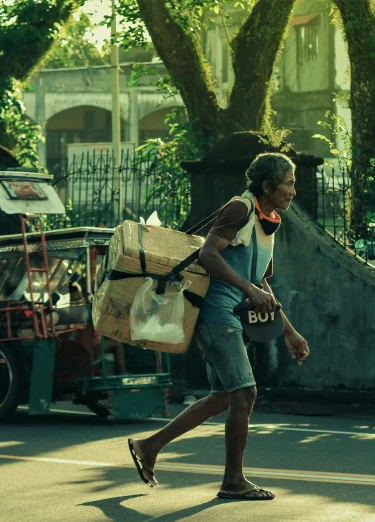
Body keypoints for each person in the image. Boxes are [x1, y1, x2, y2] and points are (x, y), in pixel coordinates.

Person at [128, 152, 310, 501]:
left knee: (223, 396)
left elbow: (261, 284)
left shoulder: (270, 219)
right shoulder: (239, 209)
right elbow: (208, 255)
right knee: (245, 393)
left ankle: (149, 447)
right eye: (288, 184)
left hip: (229, 316)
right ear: (268, 186)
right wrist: (249, 289)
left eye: (293, 184)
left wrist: (290, 332)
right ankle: (232, 481)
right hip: (214, 314)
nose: (293, 191)